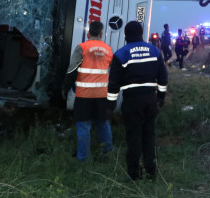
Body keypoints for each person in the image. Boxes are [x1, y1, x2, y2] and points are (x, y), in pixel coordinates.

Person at [107, 21, 168, 181]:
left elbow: (113, 84)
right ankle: (151, 172)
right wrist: (161, 96)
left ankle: (134, 174)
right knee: (149, 135)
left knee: (133, 137)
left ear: (126, 36)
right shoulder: (154, 51)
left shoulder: (121, 54)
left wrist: (110, 106)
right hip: (150, 99)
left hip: (132, 102)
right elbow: (163, 77)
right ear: (142, 34)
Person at [63, 21, 114, 162]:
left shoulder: (82, 48)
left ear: (88, 33)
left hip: (84, 94)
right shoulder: (108, 50)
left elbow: (72, 70)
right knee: (103, 122)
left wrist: (65, 88)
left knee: (84, 125)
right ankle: (108, 152)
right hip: (101, 94)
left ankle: (83, 158)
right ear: (101, 34)